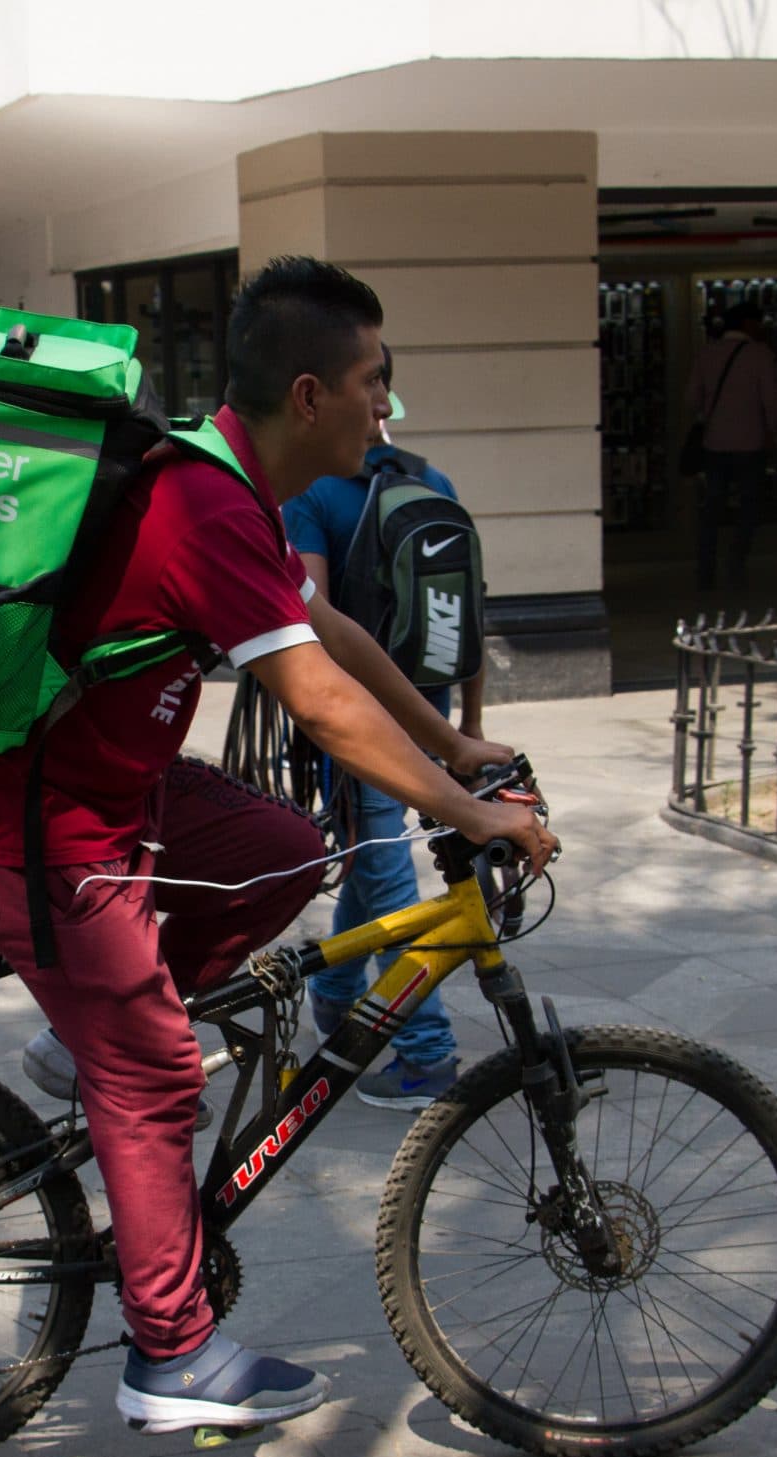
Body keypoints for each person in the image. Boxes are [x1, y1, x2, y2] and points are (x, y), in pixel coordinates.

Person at [0, 257, 556, 1438]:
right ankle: (168, 1356)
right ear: (309, 393)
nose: (389, 409)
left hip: (118, 799)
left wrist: (453, 747)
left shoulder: (226, 485)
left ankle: (94, 1039)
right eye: (377, 383)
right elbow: (315, 703)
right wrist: (469, 818)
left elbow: (326, 631)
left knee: (280, 843)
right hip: (39, 837)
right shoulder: (201, 502)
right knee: (159, 1071)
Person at [282, 347, 482, 1110]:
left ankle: (426, 1049)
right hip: (432, 704)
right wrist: (465, 729)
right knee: (373, 863)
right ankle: (336, 994)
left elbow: (317, 621)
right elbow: (472, 609)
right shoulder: (435, 481)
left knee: (388, 873)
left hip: (366, 717)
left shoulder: (317, 494)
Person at [687, 303, 777, 591]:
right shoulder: (760, 356)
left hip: (714, 442)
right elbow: (772, 403)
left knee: (712, 508)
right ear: (749, 324)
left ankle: (706, 567)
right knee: (748, 507)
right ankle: (737, 562)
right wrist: (772, 430)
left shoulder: (707, 354)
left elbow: (691, 399)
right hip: (750, 443)